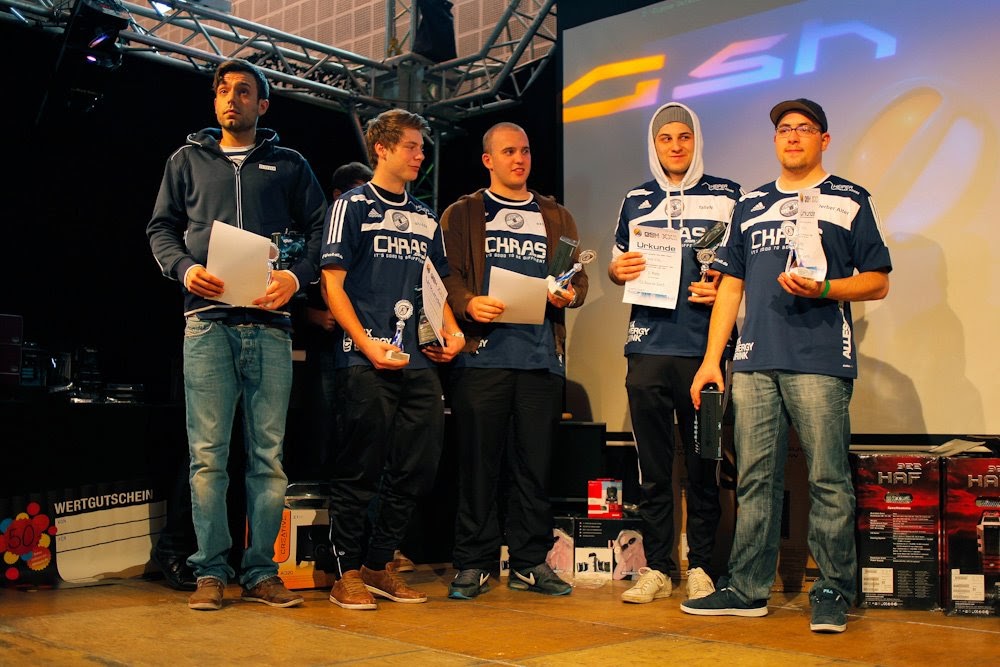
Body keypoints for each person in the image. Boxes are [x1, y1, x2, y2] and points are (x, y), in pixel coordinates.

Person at [682, 99, 891, 633]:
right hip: (754, 362)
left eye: (804, 128)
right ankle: (748, 589)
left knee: (828, 479)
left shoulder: (849, 198)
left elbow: (877, 280)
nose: (792, 136)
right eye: (783, 129)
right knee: (755, 480)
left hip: (821, 360)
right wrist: (711, 362)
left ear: (824, 139)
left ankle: (833, 590)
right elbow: (731, 286)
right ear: (775, 141)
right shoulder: (750, 204)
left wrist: (825, 288)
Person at [147, 58, 327, 611]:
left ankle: (262, 572)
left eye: (243, 91)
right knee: (208, 457)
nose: (231, 98)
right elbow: (160, 228)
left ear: (262, 104)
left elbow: (321, 229)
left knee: (267, 459)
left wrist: (296, 277)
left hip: (270, 326)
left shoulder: (290, 165)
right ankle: (210, 572)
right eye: (223, 90)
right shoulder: (186, 159)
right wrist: (183, 269)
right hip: (206, 324)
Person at [320, 109, 464, 610]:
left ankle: (379, 565)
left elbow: (436, 286)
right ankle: (346, 573)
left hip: (418, 363)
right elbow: (332, 285)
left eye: (422, 147)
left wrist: (452, 331)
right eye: (411, 146)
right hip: (365, 359)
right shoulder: (352, 205)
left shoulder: (426, 216)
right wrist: (364, 343)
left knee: (415, 469)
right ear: (381, 148)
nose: (421, 155)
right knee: (359, 470)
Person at [441, 122, 588, 600]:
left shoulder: (555, 215)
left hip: (541, 360)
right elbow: (446, 276)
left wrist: (568, 294)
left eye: (524, 150)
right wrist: (468, 303)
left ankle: (529, 561)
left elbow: (576, 278)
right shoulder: (464, 212)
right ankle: (473, 562)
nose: (519, 159)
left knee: (534, 469)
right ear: (488, 160)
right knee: (478, 467)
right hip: (481, 358)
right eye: (508, 151)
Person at [607, 102, 742, 604]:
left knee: (706, 463)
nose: (676, 145)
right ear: (654, 145)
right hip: (647, 346)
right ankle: (660, 567)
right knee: (654, 469)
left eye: (684, 136)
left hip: (704, 350)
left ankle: (703, 565)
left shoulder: (728, 196)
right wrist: (617, 271)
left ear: (696, 140)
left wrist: (723, 288)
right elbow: (617, 264)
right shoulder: (635, 199)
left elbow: (745, 267)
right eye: (665, 138)